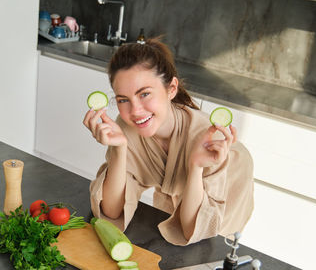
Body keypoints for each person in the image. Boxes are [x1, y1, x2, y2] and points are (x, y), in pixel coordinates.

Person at [82, 37, 254, 246]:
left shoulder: (209, 140)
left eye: (144, 94)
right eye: (123, 100)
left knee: (213, 248)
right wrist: (119, 149)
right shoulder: (127, 128)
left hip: (230, 174)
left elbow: (193, 229)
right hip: (175, 189)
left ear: (171, 88)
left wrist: (196, 167)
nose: (135, 111)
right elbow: (111, 210)